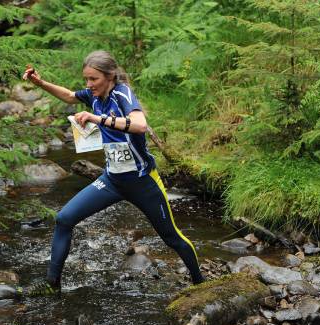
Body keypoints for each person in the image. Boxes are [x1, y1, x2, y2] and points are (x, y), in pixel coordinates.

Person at [22, 50, 205, 295]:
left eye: (93, 79)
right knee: (64, 219)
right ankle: (52, 286)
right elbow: (68, 96)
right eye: (86, 79)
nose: (89, 85)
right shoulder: (95, 96)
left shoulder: (121, 94)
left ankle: (201, 285)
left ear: (109, 76)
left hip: (142, 183)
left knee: (172, 238)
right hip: (112, 181)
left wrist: (98, 119)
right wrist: (40, 83)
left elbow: (139, 125)